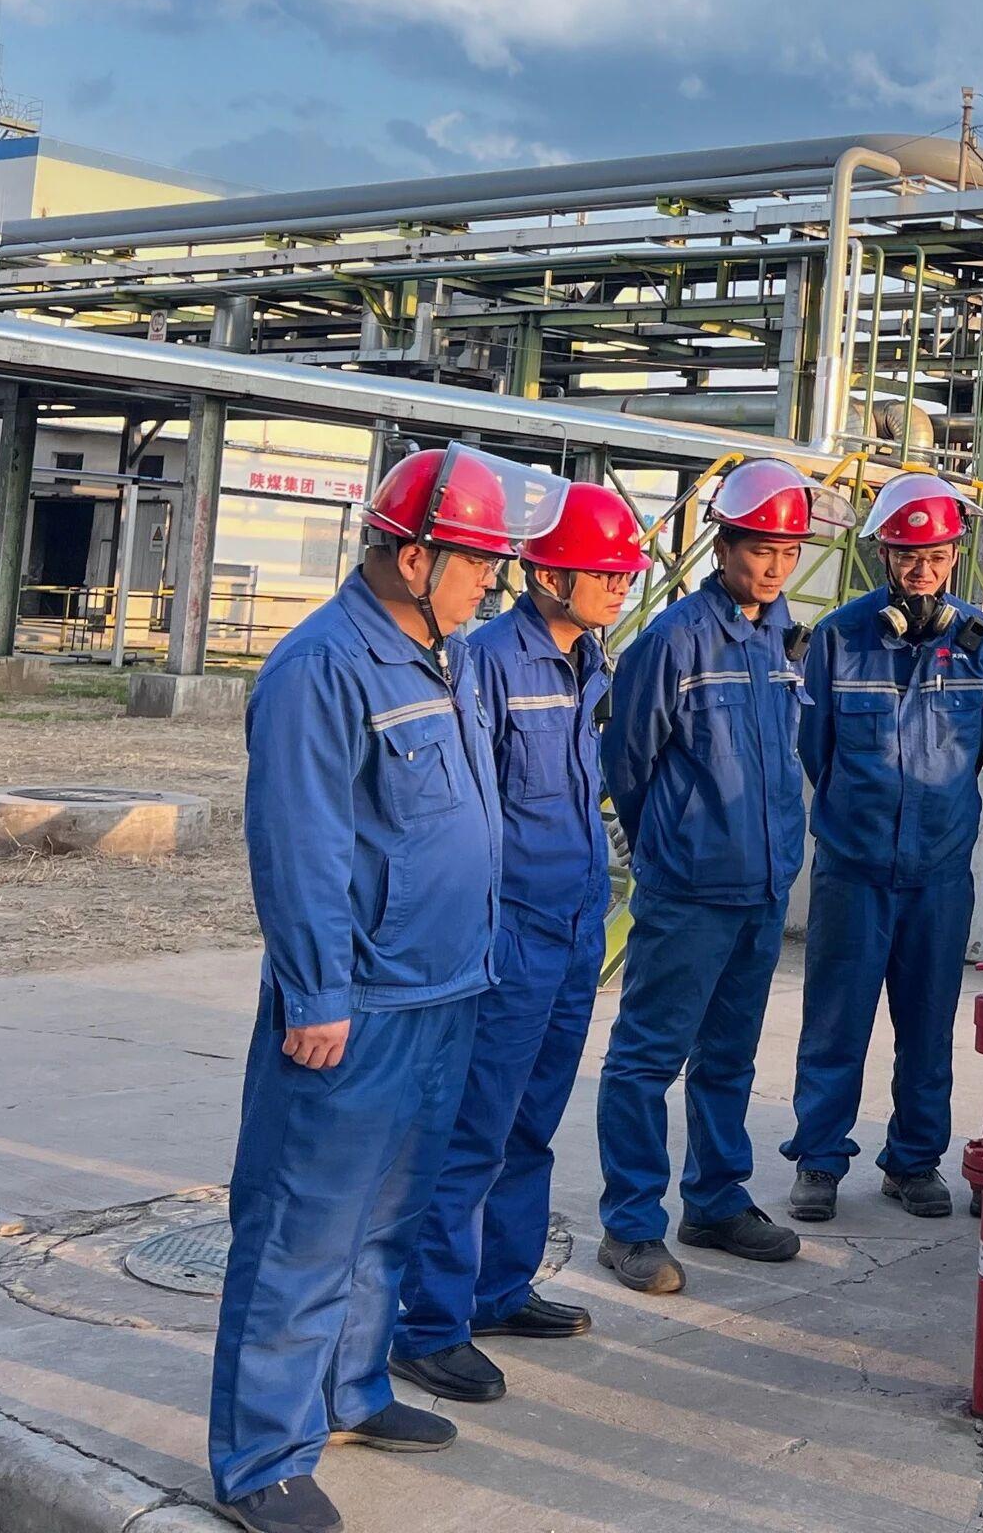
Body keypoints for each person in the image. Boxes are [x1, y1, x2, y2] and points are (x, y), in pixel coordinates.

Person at [208, 445, 560, 1533]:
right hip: (357, 1004)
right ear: (412, 558)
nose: (491, 585)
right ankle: (262, 1457)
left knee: (388, 1219)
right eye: (478, 564)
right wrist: (316, 994)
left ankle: (351, 1392)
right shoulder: (322, 667)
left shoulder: (439, 655)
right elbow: (300, 845)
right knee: (303, 1229)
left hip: (445, 990)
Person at [392, 481, 647, 1404]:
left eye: (625, 573)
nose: (620, 587)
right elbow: (464, 809)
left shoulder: (590, 658)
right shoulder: (488, 661)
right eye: (605, 573)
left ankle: (500, 1289)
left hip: (575, 928)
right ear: (548, 575)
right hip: (509, 934)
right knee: (474, 1131)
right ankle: (429, 1325)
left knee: (532, 1125)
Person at [595, 457, 818, 1288]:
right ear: (723, 547)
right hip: (689, 890)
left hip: (762, 889)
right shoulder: (673, 641)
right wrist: (670, 845)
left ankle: (717, 1200)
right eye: (760, 549)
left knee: (729, 1057)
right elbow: (627, 763)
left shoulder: (783, 639)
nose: (774, 566)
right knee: (647, 1058)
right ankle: (629, 1224)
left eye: (788, 552)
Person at [783, 472, 983, 1222]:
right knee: (836, 1022)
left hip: (939, 870)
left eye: (936, 556)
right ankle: (819, 1160)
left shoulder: (979, 643)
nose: (922, 570)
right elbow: (816, 748)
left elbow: (981, 747)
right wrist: (859, 817)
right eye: (908, 555)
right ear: (883, 554)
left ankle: (913, 1162)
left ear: (955, 557)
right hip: (854, 865)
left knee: (929, 1024)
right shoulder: (840, 637)